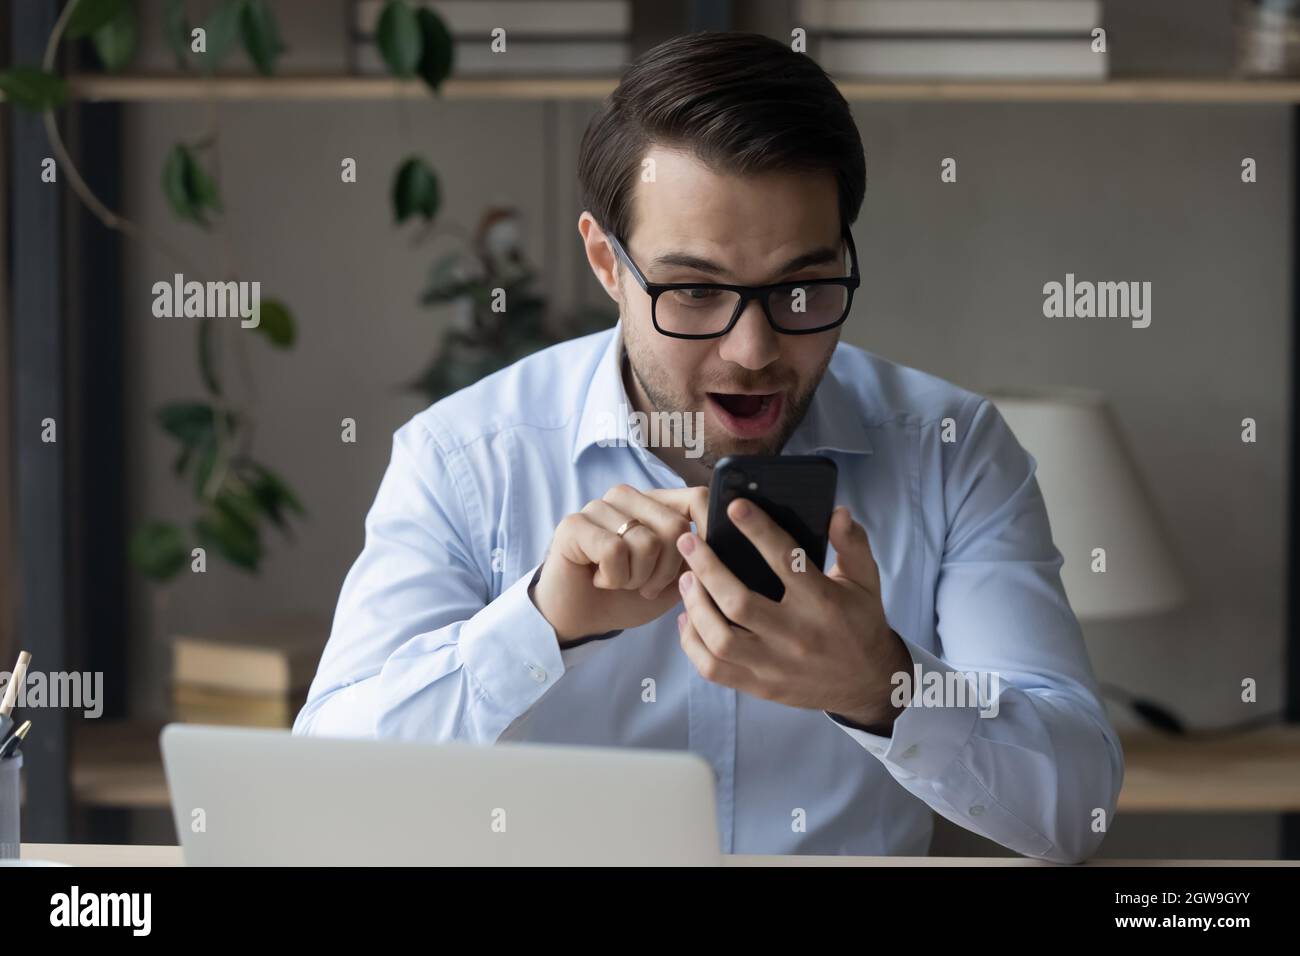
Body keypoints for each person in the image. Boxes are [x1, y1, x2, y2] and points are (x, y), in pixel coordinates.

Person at [294, 31, 1123, 862]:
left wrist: (885, 687)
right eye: (693, 290)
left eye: (802, 287)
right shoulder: (465, 457)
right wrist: (540, 624)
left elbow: (1076, 812)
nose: (754, 351)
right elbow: (320, 798)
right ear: (606, 264)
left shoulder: (955, 452)